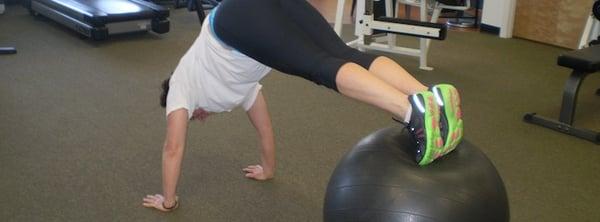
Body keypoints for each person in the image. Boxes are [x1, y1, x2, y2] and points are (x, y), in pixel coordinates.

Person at [142, 0, 463, 212]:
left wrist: (168, 201)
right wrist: (268, 169)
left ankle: (412, 110)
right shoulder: (235, 89)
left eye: (194, 117)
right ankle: (429, 96)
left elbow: (173, 146)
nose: (200, 118)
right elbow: (264, 125)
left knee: (320, 65)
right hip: (242, 13)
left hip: (233, 20)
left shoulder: (181, 87)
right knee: (345, 54)